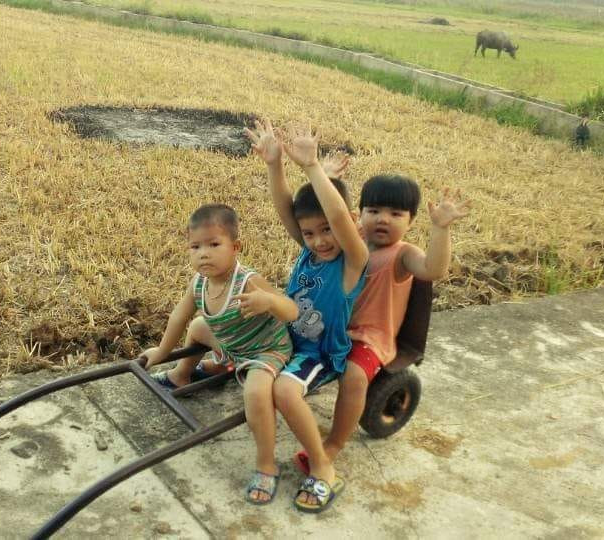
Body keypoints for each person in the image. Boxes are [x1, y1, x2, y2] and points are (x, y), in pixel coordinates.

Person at [290, 173, 471, 481]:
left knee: (353, 376)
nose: (382, 219)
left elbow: (434, 269)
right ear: (358, 214)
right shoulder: (351, 239)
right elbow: (326, 215)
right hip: (331, 326)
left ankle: (333, 444)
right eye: (373, 211)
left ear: (411, 221)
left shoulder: (404, 255)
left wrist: (441, 228)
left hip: (370, 337)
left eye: (396, 214)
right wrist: (326, 179)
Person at [245, 119, 368, 513]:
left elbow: (339, 219)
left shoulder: (351, 261)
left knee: (283, 391)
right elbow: (288, 211)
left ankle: (323, 466)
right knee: (210, 324)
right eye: (309, 233)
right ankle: (204, 366)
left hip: (317, 352)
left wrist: (313, 167)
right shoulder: (310, 251)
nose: (318, 240)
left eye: (326, 231)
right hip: (282, 338)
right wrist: (274, 164)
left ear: (348, 223)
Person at [140, 203, 299, 505]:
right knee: (198, 325)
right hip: (233, 345)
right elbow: (178, 317)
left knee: (256, 393)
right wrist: (162, 351)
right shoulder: (199, 283)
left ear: (235, 247)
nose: (204, 254)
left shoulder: (247, 280)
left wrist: (268, 301)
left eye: (214, 245)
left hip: (265, 351)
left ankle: (267, 465)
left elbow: (291, 311)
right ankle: (181, 374)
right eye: (195, 246)